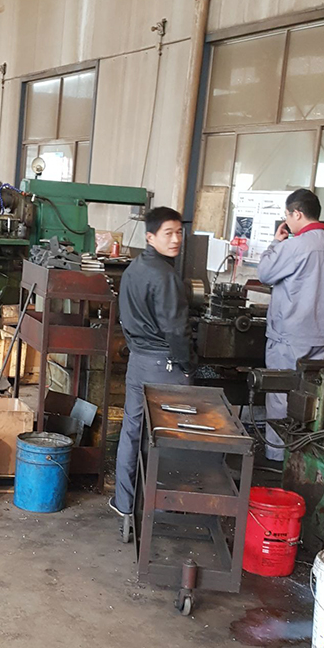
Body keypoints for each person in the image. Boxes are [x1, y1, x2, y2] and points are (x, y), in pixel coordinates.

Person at [109, 207, 194, 532]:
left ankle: (125, 504)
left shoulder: (134, 268)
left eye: (179, 232)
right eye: (168, 233)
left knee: (133, 431)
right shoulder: (165, 276)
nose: (175, 239)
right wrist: (187, 365)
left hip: (139, 361)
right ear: (150, 236)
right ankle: (165, 510)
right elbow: (176, 330)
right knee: (172, 436)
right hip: (165, 366)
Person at [257, 188, 324, 461]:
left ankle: (278, 458)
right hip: (320, 337)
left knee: (281, 395)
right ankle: (302, 458)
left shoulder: (294, 246)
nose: (287, 221)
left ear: (297, 214)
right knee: (311, 398)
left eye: (288, 216)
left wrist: (275, 244)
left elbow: (265, 273)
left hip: (288, 338)